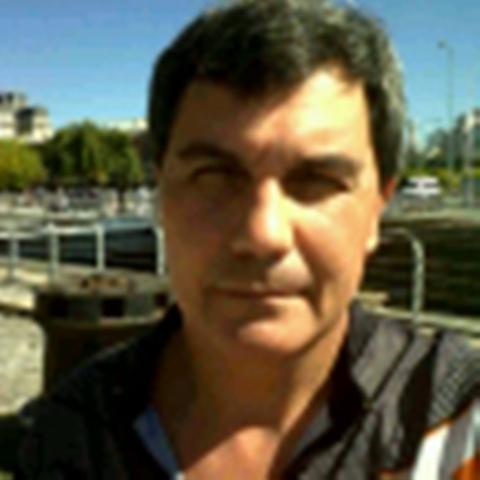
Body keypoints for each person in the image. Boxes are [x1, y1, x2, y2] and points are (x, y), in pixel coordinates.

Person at [16, 0, 479, 478]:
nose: (263, 234)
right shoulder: (71, 438)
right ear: (161, 197)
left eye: (316, 181)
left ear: (377, 209)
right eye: (214, 177)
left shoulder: (455, 421)